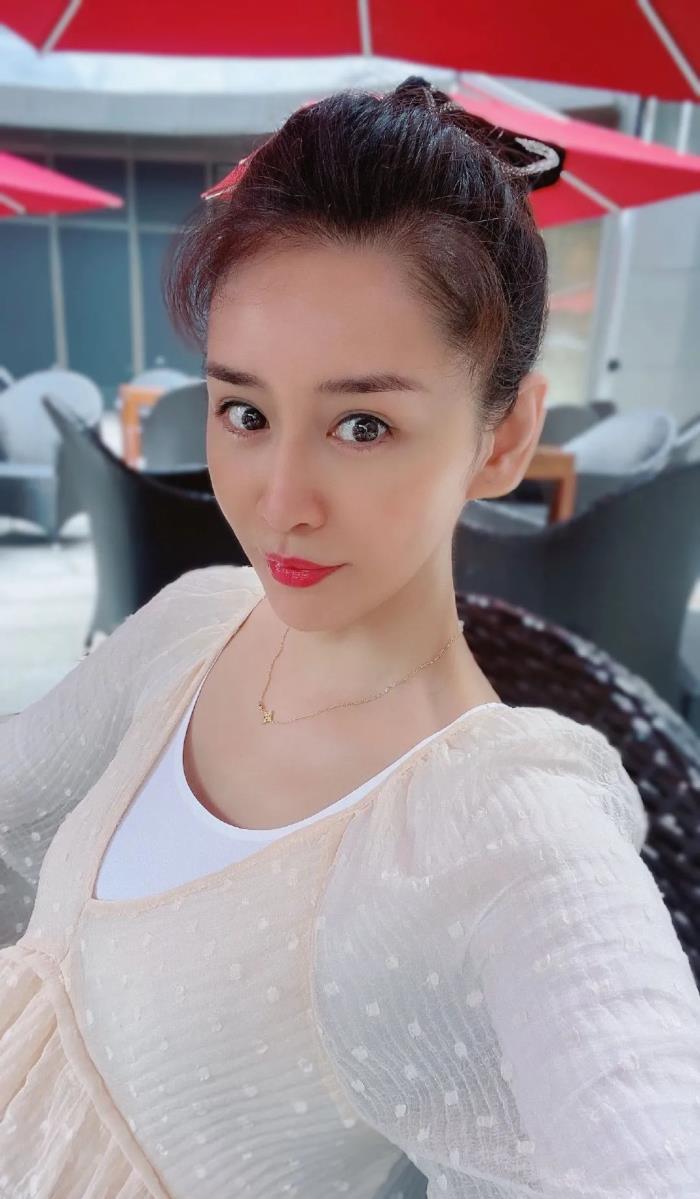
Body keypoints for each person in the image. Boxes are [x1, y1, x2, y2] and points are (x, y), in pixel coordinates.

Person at [2, 76, 700, 1199]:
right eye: (245, 412)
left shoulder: (497, 829)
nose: (279, 501)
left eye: (363, 424)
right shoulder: (200, 619)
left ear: (503, 437)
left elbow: (643, 1124)